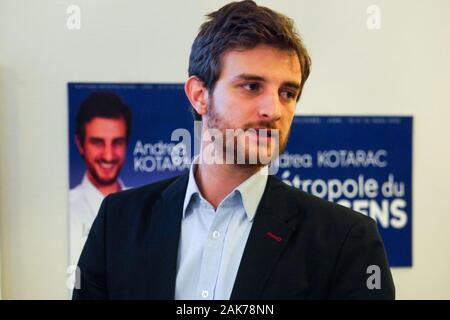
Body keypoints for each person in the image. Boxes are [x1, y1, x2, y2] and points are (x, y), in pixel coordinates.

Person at [73, 0, 395, 299]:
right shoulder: (117, 221)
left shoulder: (347, 241)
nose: (274, 110)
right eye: (252, 86)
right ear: (200, 95)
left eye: (287, 93)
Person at [69, 91, 132, 266]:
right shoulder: (66, 209)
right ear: (80, 144)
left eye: (117, 142)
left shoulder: (147, 206)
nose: (108, 155)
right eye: (97, 142)